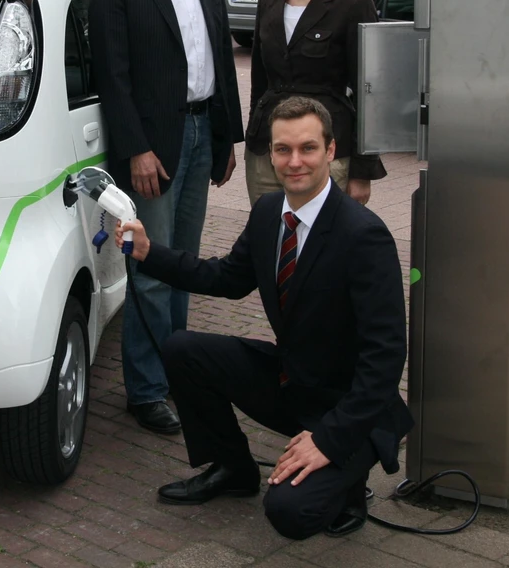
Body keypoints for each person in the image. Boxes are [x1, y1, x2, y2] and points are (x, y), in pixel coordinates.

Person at [116, 96, 412, 540]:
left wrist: (328, 439)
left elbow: (385, 358)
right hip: (293, 382)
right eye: (283, 149)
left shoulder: (363, 235)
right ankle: (233, 468)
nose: (295, 162)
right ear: (270, 154)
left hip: (349, 405)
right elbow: (227, 278)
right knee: (183, 349)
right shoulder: (270, 212)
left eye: (308, 148)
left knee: (290, 513)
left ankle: (349, 485)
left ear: (330, 150)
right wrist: (148, 252)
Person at [89, 0, 244, 435]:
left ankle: (177, 370)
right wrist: (136, 149)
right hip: (153, 146)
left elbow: (219, 57)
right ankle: (147, 389)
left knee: (184, 265)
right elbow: (112, 73)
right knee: (151, 269)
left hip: (202, 133)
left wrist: (227, 136)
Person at [245, 0, 386, 207]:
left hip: (326, 153)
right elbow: (260, 82)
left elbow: (371, 93)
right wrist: (253, 138)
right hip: (268, 151)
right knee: (268, 231)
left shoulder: (352, 3)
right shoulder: (269, 1)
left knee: (322, 234)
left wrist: (362, 172)